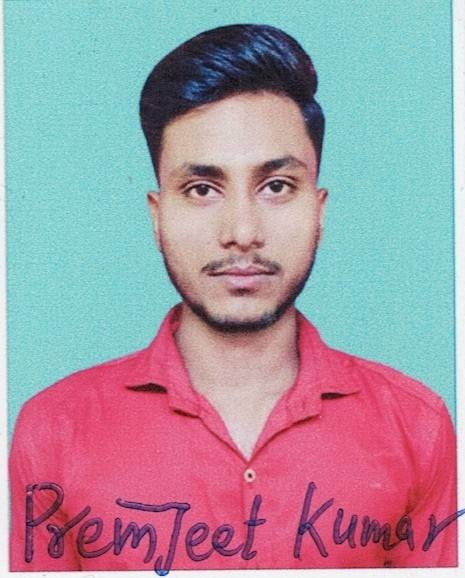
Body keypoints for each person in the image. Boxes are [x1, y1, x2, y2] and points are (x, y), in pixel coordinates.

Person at [9, 24, 458, 573]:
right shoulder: (55, 429)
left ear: (318, 209)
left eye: (276, 186)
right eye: (202, 189)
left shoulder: (416, 426)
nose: (242, 233)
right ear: (158, 216)